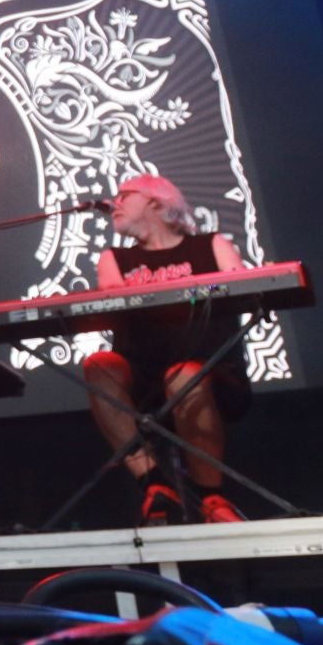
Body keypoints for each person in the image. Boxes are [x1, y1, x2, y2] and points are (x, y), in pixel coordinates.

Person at [81, 174, 249, 526]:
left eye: (124, 196)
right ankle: (153, 483)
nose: (115, 204)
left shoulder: (211, 245)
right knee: (99, 365)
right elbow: (113, 300)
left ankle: (211, 497)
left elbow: (246, 287)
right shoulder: (114, 257)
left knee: (184, 375)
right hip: (144, 378)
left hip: (212, 371)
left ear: (156, 203)